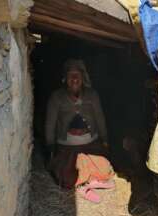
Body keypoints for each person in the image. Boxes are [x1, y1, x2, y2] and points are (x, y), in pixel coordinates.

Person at [45, 59, 115, 203]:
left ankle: (88, 183)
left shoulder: (92, 95)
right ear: (65, 78)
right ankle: (84, 185)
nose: (74, 79)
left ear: (83, 78)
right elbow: (50, 123)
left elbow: (100, 118)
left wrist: (105, 139)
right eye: (71, 75)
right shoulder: (57, 97)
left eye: (77, 75)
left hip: (90, 145)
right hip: (67, 147)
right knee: (67, 176)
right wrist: (50, 146)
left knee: (105, 168)